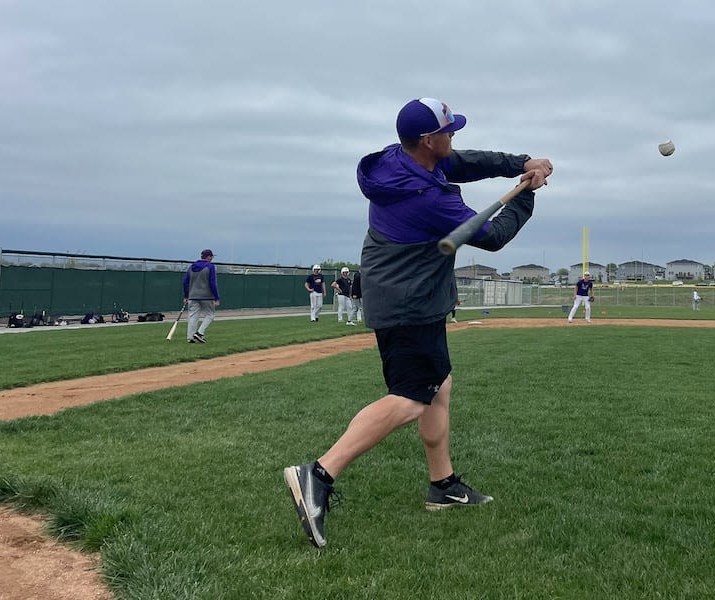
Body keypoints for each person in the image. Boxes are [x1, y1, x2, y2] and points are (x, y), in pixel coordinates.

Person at [282, 97, 553, 548]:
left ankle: (442, 485)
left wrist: (519, 164)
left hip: (406, 296)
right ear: (429, 141)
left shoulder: (403, 158)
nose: (453, 138)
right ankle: (318, 474)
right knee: (410, 399)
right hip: (408, 302)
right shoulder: (427, 197)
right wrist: (527, 193)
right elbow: (493, 236)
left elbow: (462, 161)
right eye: (448, 132)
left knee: (437, 387)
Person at [182, 248, 220, 343]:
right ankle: (199, 333)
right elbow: (212, 283)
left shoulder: (192, 267)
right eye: (211, 257)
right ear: (208, 257)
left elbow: (185, 282)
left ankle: (190, 337)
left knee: (193, 316)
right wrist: (216, 297)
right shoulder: (210, 267)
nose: (212, 258)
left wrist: (186, 296)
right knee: (210, 315)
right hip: (207, 296)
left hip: (193, 296)